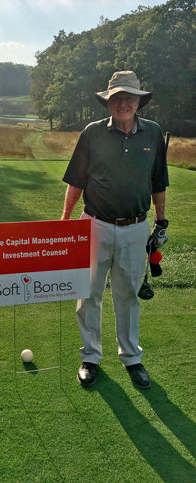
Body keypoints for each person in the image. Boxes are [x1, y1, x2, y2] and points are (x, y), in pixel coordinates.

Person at [61, 71, 169, 389]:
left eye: (129, 97)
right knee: (88, 294)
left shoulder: (153, 133)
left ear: (138, 101)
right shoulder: (92, 133)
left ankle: (132, 357)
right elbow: (76, 182)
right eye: (117, 98)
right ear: (108, 102)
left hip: (136, 228)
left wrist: (161, 222)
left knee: (128, 295)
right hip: (94, 224)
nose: (123, 103)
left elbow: (158, 182)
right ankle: (90, 357)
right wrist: (65, 223)